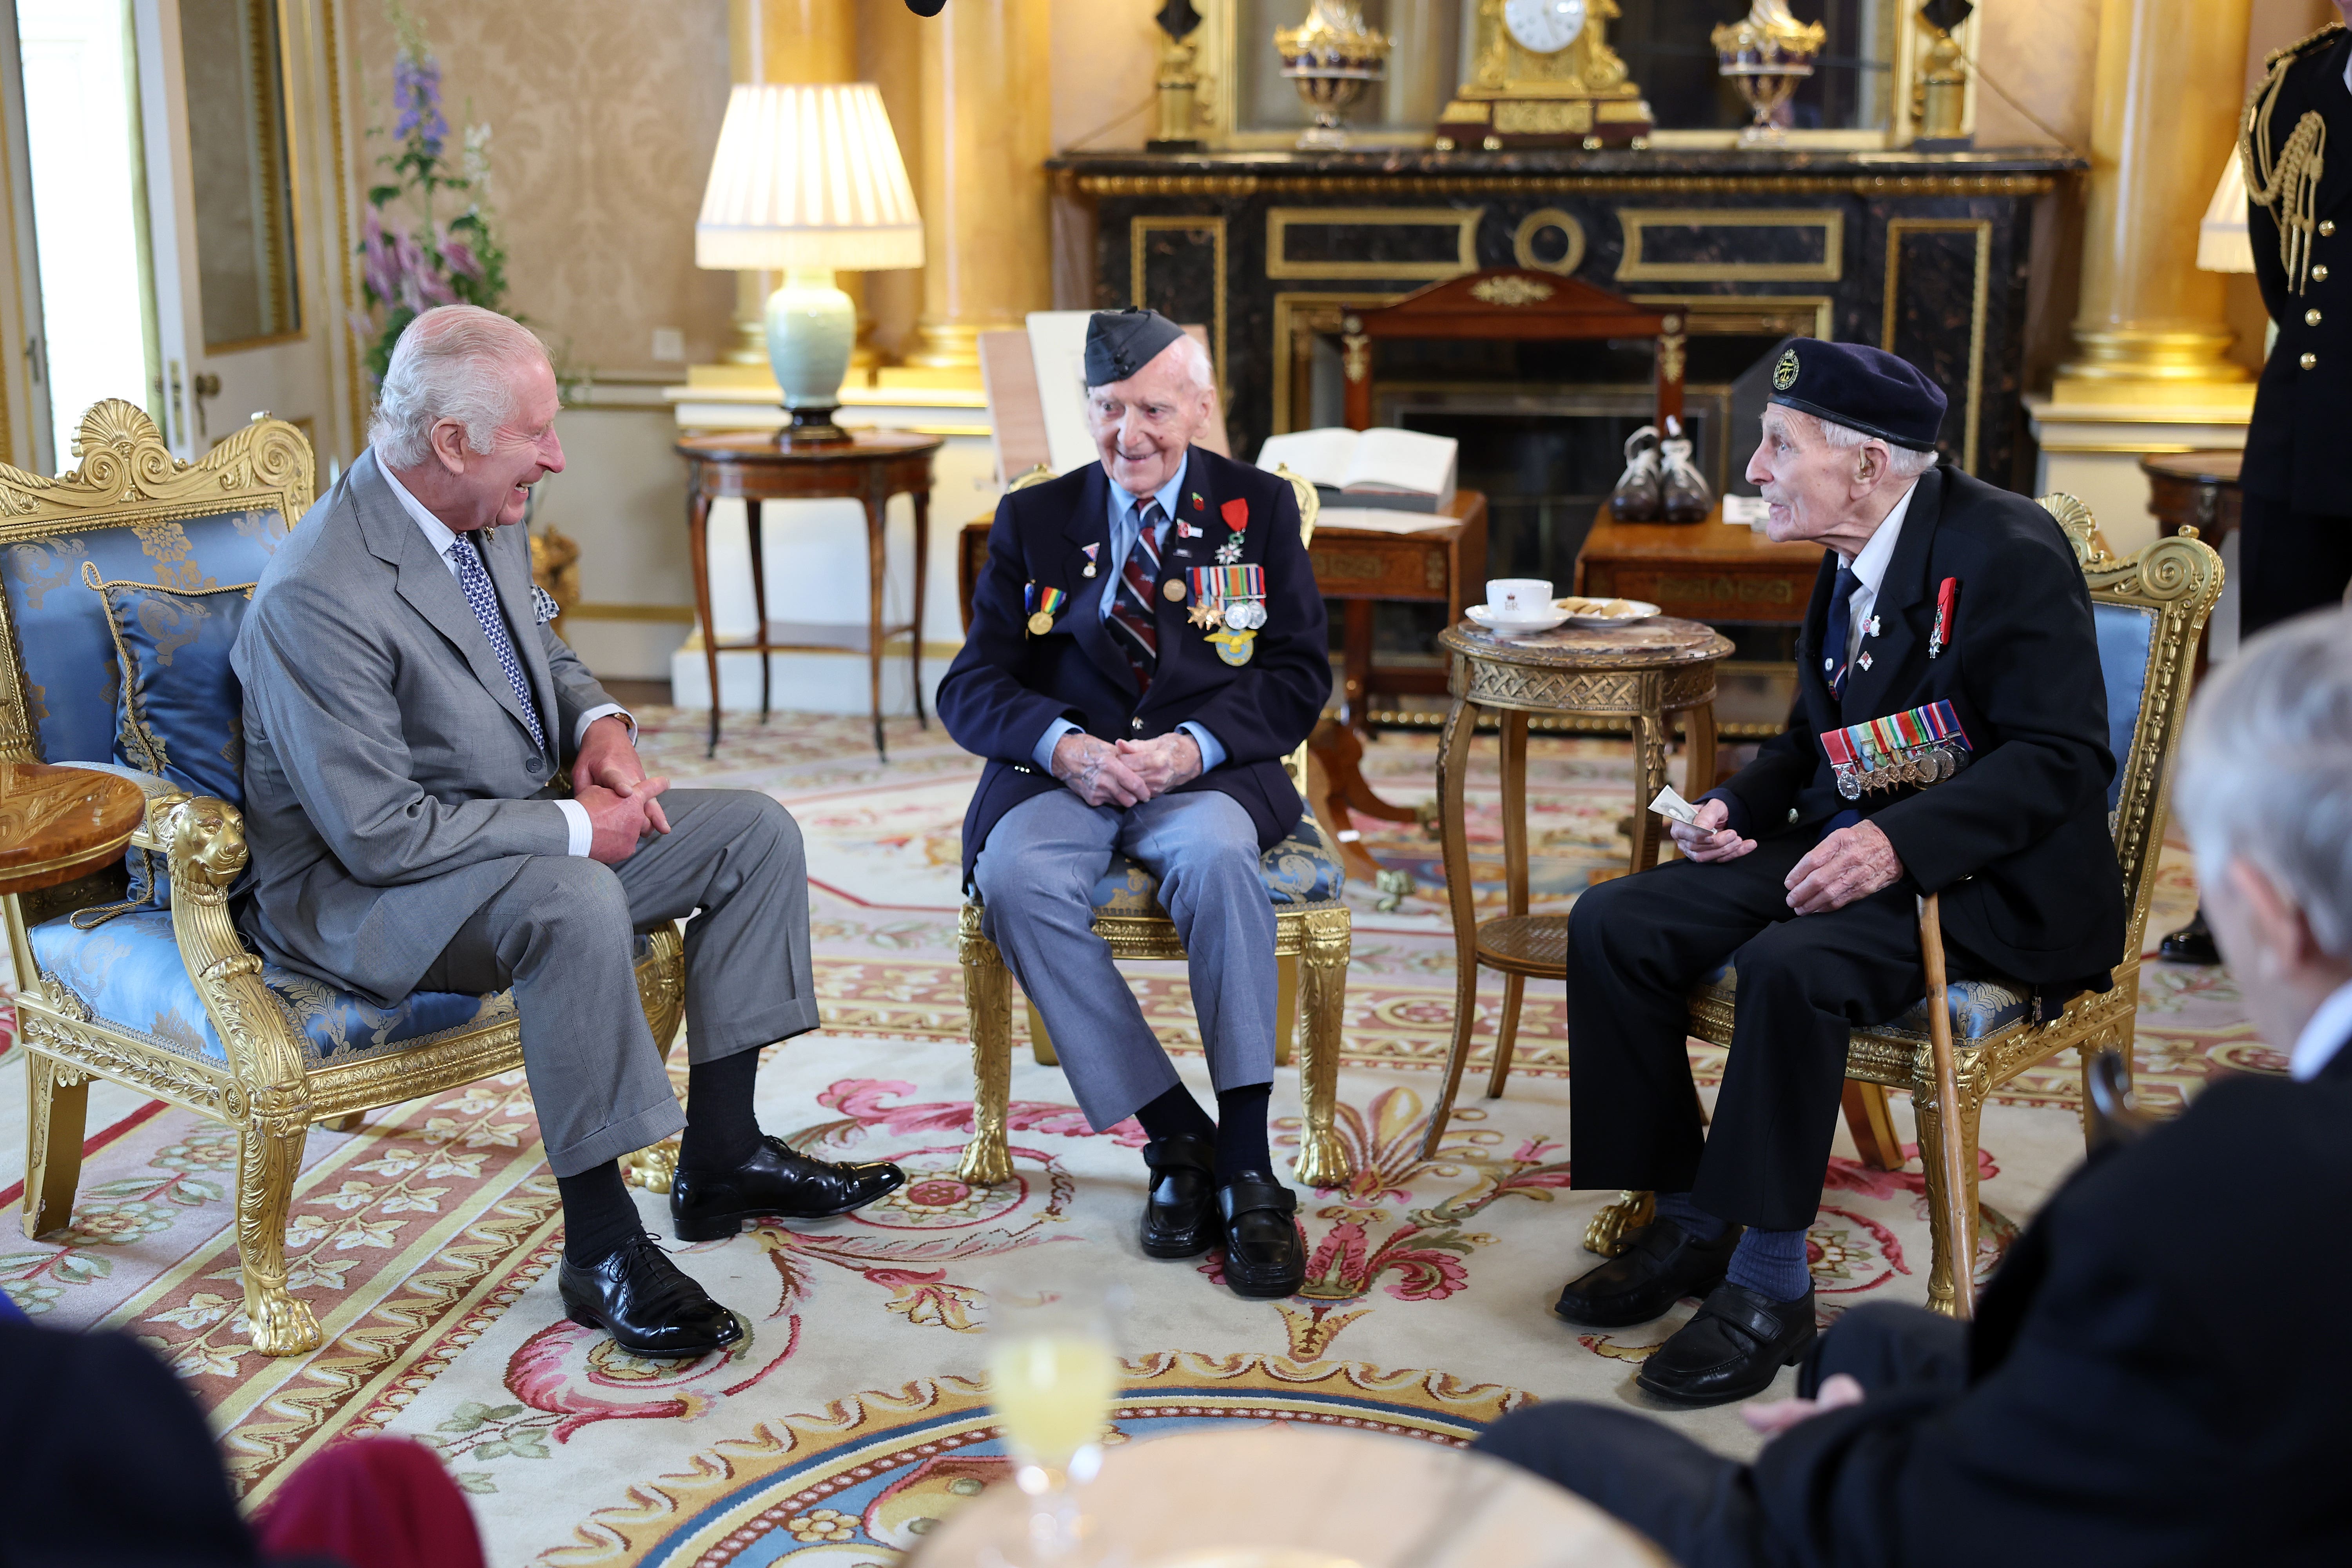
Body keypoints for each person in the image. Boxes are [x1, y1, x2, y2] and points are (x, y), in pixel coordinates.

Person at [1473, 608, 2352, 1568]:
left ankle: (1765, 1282)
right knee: (1874, 1344)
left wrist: (1837, 1448)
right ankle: (1693, 1226)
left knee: (1531, 1449)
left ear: (2271, 913)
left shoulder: (2206, 1183)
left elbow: (1989, 1505)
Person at [232, 305, 902, 1360]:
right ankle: (600, 1246)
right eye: (535, 433)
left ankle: (724, 1156)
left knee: (754, 832)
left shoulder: (479, 516)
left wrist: (601, 728)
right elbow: (378, 836)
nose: (556, 454)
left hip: (500, 843)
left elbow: (544, 651)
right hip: (366, 898)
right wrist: (574, 830)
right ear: (451, 442)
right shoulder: (318, 596)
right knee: (573, 893)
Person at [1557, 339, 2123, 1405]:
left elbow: (2065, 760)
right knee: (1615, 924)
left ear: (1868, 466)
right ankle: (1689, 1218)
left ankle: (1770, 1287)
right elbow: (1816, 735)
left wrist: (1895, 846)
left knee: (1793, 965)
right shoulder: (1851, 551)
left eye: (1779, 446)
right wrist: (1736, 805)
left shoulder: (2007, 548)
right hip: (1855, 838)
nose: (1757, 472)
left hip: (1992, 883)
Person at [935, 309, 1329, 1299]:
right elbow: (972, 683)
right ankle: (1179, 1135)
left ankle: (1249, 1165)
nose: (1131, 434)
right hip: (1067, 775)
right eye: (1109, 409)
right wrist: (1062, 746)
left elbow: (1295, 676)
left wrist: (1189, 748)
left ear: (1198, 408)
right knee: (1016, 881)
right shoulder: (1037, 517)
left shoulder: (1259, 508)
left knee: (1217, 863)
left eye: (1154, 408)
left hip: (1200, 773)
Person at [2163, 5, 2352, 965]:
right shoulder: (2297, 87)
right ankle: (2249, 896)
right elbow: (2286, 276)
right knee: (2273, 679)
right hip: (2304, 426)